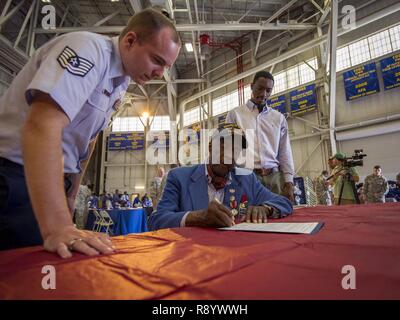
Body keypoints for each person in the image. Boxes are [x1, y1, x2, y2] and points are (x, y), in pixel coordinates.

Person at [0, 8, 181, 257]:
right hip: (14, 176)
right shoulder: (87, 50)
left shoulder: (120, 83)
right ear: (130, 41)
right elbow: (42, 125)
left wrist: (71, 194)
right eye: (157, 60)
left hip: (51, 182)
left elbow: (89, 139)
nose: (160, 74)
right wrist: (59, 226)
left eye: (166, 67)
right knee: (18, 275)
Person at [148, 123, 293, 230]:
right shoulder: (179, 177)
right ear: (210, 146)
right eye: (224, 146)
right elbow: (157, 220)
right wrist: (198, 218)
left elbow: (284, 203)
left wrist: (265, 208)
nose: (229, 154)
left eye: (235, 149)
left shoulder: (247, 179)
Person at [226, 71, 295, 203]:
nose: (264, 94)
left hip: (274, 179)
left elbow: (285, 151)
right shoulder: (235, 115)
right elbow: (228, 150)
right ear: (252, 86)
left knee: (277, 218)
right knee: (245, 218)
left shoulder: (279, 118)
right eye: (260, 88)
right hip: (246, 178)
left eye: (268, 90)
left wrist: (289, 182)